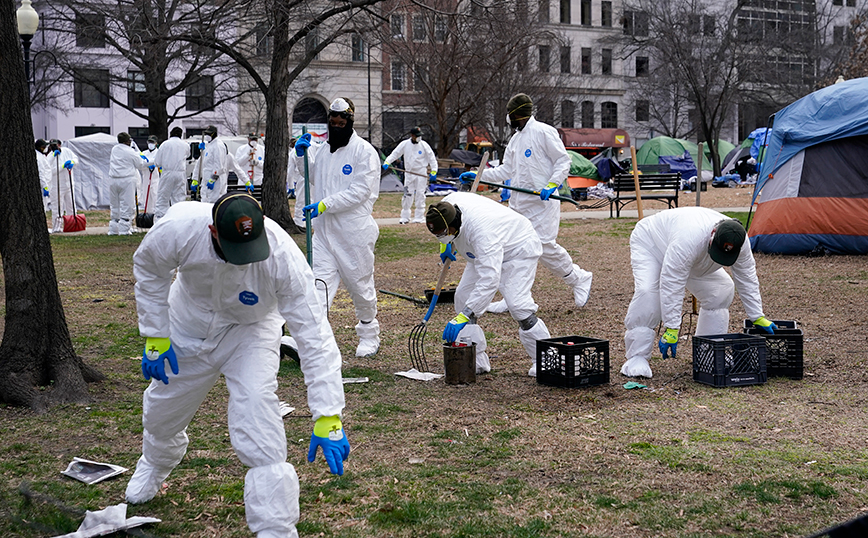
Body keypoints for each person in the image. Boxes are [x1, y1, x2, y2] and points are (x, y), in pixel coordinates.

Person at [126, 192, 350, 538]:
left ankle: (275, 524)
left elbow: (315, 336)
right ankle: (155, 463)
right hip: (188, 325)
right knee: (162, 411)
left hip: (251, 331)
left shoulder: (282, 256)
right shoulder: (179, 227)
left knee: (257, 412)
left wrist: (328, 414)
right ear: (214, 232)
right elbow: (150, 269)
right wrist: (156, 335)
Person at [621, 207, 778, 378]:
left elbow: (747, 277)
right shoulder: (688, 239)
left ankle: (707, 354)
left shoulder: (741, 242)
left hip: (695, 259)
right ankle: (637, 357)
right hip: (652, 244)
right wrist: (672, 327)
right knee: (648, 293)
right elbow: (672, 282)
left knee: (721, 290)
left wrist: (757, 316)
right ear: (712, 235)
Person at [479, 93, 593, 311]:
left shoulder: (544, 132)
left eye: (509, 115)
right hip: (518, 205)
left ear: (516, 115)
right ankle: (514, 297)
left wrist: (552, 184)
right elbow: (506, 170)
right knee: (512, 249)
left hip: (542, 205)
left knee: (543, 246)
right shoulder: (515, 139)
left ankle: (578, 278)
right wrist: (479, 174)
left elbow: (562, 160)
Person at [425, 192, 552, 376]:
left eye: (444, 234)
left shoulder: (483, 234)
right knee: (463, 297)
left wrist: (465, 316)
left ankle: (546, 361)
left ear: (454, 224)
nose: (442, 236)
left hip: (517, 248)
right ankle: (475, 361)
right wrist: (445, 244)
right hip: (481, 252)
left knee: (519, 306)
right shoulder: (445, 206)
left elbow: (489, 280)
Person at [293, 97, 382, 358]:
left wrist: (325, 204)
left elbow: (360, 192)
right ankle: (311, 340)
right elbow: (310, 174)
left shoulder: (364, 152)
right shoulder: (322, 150)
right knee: (318, 285)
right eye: (333, 122)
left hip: (353, 233)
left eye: (342, 122)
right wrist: (301, 155)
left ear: (350, 122)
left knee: (360, 286)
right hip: (324, 233)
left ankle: (369, 334)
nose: (337, 126)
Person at [383, 126, 438, 224]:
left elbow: (432, 158)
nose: (419, 138)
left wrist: (434, 171)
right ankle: (405, 217)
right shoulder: (404, 144)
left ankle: (419, 216)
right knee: (407, 194)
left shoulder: (424, 145)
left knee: (420, 194)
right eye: (417, 136)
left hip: (421, 173)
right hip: (409, 173)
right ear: (412, 135)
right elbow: (395, 154)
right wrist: (387, 162)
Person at [108, 132, 150, 235]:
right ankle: (124, 230)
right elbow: (140, 164)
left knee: (115, 204)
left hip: (113, 180)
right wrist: (152, 161)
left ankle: (113, 229)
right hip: (126, 180)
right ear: (127, 141)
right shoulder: (130, 151)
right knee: (127, 204)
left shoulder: (114, 149)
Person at [153, 127, 191, 222]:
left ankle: (160, 221)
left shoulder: (165, 144)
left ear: (171, 133)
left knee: (163, 197)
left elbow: (157, 162)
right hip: (180, 174)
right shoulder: (185, 145)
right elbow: (187, 155)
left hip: (167, 172)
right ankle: (179, 220)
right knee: (179, 198)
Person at [47, 138, 79, 233]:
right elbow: (50, 171)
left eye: (56, 145)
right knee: (57, 207)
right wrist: (62, 166)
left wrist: (73, 163)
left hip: (69, 184)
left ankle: (73, 225)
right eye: (52, 146)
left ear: (60, 145)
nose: (55, 147)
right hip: (57, 186)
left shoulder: (67, 151)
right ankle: (57, 227)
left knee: (71, 205)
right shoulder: (50, 157)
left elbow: (76, 159)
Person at [191, 125, 228, 203]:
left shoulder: (218, 145)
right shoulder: (210, 145)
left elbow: (219, 164)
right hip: (206, 180)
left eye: (209, 134)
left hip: (215, 181)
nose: (207, 136)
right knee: (205, 200)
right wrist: (195, 179)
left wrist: (213, 179)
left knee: (213, 201)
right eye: (206, 134)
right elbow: (201, 163)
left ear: (214, 134)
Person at [139, 135, 160, 214]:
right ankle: (147, 214)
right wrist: (149, 163)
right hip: (146, 178)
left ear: (156, 143)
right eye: (149, 142)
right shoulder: (143, 153)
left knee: (155, 196)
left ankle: (155, 215)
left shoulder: (158, 152)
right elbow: (141, 164)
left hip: (155, 179)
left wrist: (148, 163)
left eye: (152, 142)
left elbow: (158, 163)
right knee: (146, 198)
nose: (150, 144)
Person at [35, 139, 52, 215]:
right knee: (43, 207)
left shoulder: (41, 156)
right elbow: (41, 173)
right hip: (42, 187)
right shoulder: (38, 157)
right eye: (44, 146)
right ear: (40, 147)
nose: (46, 148)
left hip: (45, 185)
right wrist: (45, 187)